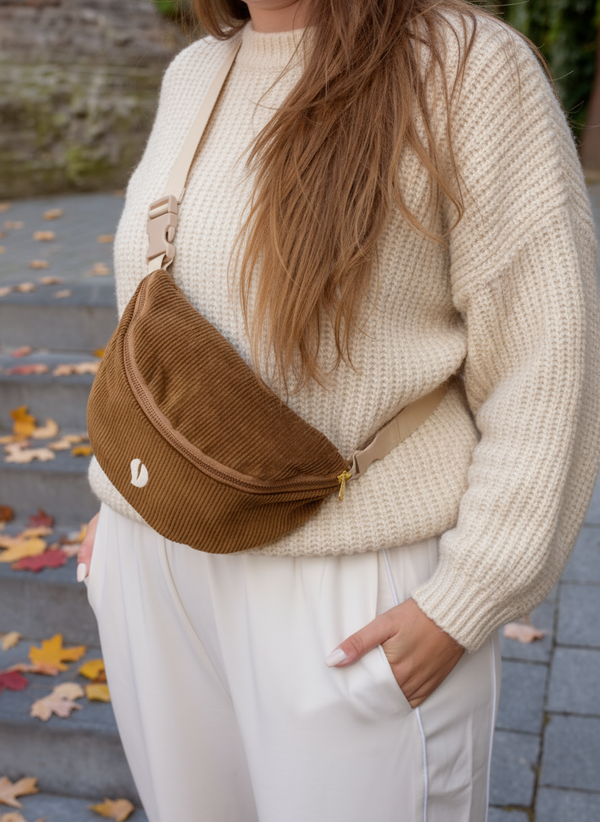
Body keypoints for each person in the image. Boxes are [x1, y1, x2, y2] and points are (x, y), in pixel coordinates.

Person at [78, 1, 600, 820]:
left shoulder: (464, 67)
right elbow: (152, 314)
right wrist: (122, 490)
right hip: (158, 565)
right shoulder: (198, 73)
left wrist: (470, 596)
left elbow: (547, 357)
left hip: (351, 584)